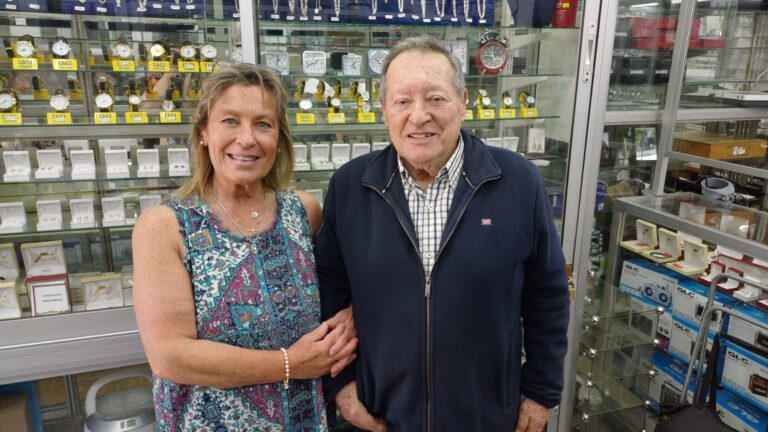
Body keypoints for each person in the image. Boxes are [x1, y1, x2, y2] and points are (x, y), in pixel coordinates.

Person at [316, 35, 570, 432]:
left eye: (435, 98)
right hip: (380, 416)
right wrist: (341, 389)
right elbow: (330, 293)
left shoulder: (518, 181)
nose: (419, 116)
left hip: (487, 416)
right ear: (384, 110)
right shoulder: (351, 186)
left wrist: (541, 393)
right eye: (402, 101)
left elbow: (548, 294)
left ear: (463, 103)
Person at [132, 63, 357, 431]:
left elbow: (344, 282)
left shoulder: (303, 211)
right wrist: (289, 363)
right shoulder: (165, 227)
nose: (247, 139)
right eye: (230, 121)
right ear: (204, 131)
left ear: (279, 140)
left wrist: (350, 312)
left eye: (263, 124)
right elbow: (171, 356)